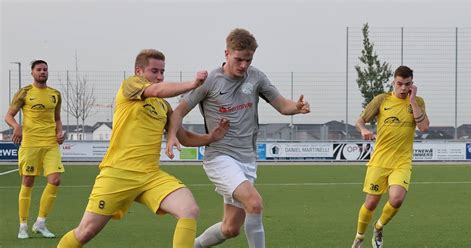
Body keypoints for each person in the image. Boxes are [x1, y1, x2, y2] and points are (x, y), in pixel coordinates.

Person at [57, 49, 229, 248]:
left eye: (162, 72)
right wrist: (192, 84)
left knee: (188, 209)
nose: (159, 76)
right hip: (118, 173)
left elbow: (185, 137)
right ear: (139, 71)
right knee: (86, 231)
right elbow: (156, 90)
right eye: (154, 71)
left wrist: (211, 137)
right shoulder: (130, 85)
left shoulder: (163, 106)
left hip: (150, 176)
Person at [166, 28, 311, 248]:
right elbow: (178, 112)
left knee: (230, 228)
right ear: (227, 53)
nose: (244, 65)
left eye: (249, 60)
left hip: (247, 159)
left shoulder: (256, 77)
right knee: (254, 203)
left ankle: (193, 246)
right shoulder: (210, 81)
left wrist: (297, 107)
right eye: (239, 59)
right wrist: (171, 137)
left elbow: (283, 105)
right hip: (220, 157)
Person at [351, 66, 429, 248]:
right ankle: (359, 237)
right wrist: (363, 129)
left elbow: (424, 127)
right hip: (379, 160)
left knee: (396, 199)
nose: (403, 88)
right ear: (393, 82)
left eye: (407, 84)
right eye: (399, 84)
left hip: (402, 161)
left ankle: (378, 227)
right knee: (370, 204)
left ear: (412, 84)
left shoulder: (417, 101)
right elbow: (360, 120)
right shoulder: (382, 100)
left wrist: (412, 102)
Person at [5, 60, 65, 239]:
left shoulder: (55, 94)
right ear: (32, 73)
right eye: (39, 69)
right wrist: (16, 126)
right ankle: (23, 225)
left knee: (55, 180)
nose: (42, 72)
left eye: (45, 69)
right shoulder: (24, 93)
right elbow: (8, 115)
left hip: (50, 144)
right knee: (28, 182)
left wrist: (60, 132)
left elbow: (57, 118)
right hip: (30, 144)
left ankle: (40, 223)